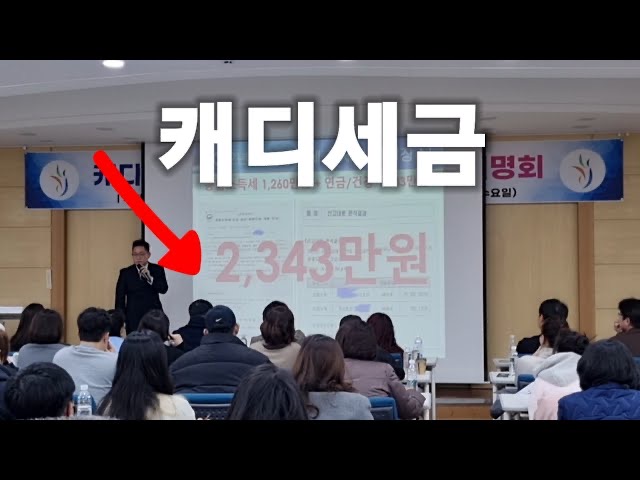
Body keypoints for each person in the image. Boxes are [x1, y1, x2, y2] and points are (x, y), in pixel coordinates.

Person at [115, 239, 169, 333]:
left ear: (148, 255)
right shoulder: (126, 273)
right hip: (133, 317)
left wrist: (151, 278)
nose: (138, 257)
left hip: (153, 316)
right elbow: (120, 298)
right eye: (135, 254)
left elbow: (163, 289)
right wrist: (120, 319)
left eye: (141, 254)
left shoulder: (157, 269)